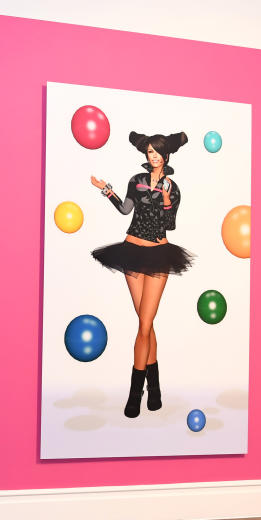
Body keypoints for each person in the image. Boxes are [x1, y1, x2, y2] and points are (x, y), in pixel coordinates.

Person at [90, 131, 193, 418]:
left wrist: (167, 197)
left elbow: (170, 225)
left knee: (145, 324)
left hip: (160, 253)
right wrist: (106, 189)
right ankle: (155, 388)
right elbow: (125, 210)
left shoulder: (174, 187)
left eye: (157, 151)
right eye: (149, 151)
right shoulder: (136, 181)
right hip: (132, 250)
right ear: (145, 155)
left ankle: (136, 393)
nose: (153, 156)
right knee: (144, 322)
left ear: (166, 154)